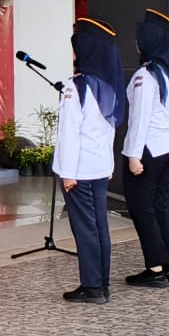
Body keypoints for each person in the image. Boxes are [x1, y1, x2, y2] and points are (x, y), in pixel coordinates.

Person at [56, 17, 125, 304]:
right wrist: (109, 166)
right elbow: (110, 130)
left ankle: (92, 286)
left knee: (85, 229)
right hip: (99, 168)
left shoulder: (77, 87)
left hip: (79, 171)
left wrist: (68, 173)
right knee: (99, 226)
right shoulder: (108, 86)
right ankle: (101, 283)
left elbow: (69, 135)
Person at [121, 9, 169, 289]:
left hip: (149, 149)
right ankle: (165, 264)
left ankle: (156, 268)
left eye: (141, 38)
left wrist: (133, 155)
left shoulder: (145, 76)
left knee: (142, 209)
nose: (137, 43)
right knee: (160, 208)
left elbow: (140, 119)